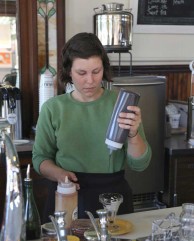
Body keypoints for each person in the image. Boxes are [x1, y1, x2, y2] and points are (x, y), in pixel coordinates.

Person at [32, 32, 152, 223]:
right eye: (81, 73)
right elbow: (40, 158)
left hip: (113, 200)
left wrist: (134, 134)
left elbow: (140, 164)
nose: (90, 80)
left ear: (104, 68)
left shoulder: (121, 103)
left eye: (96, 72)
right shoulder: (53, 108)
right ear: (68, 71)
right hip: (68, 196)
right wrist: (59, 174)